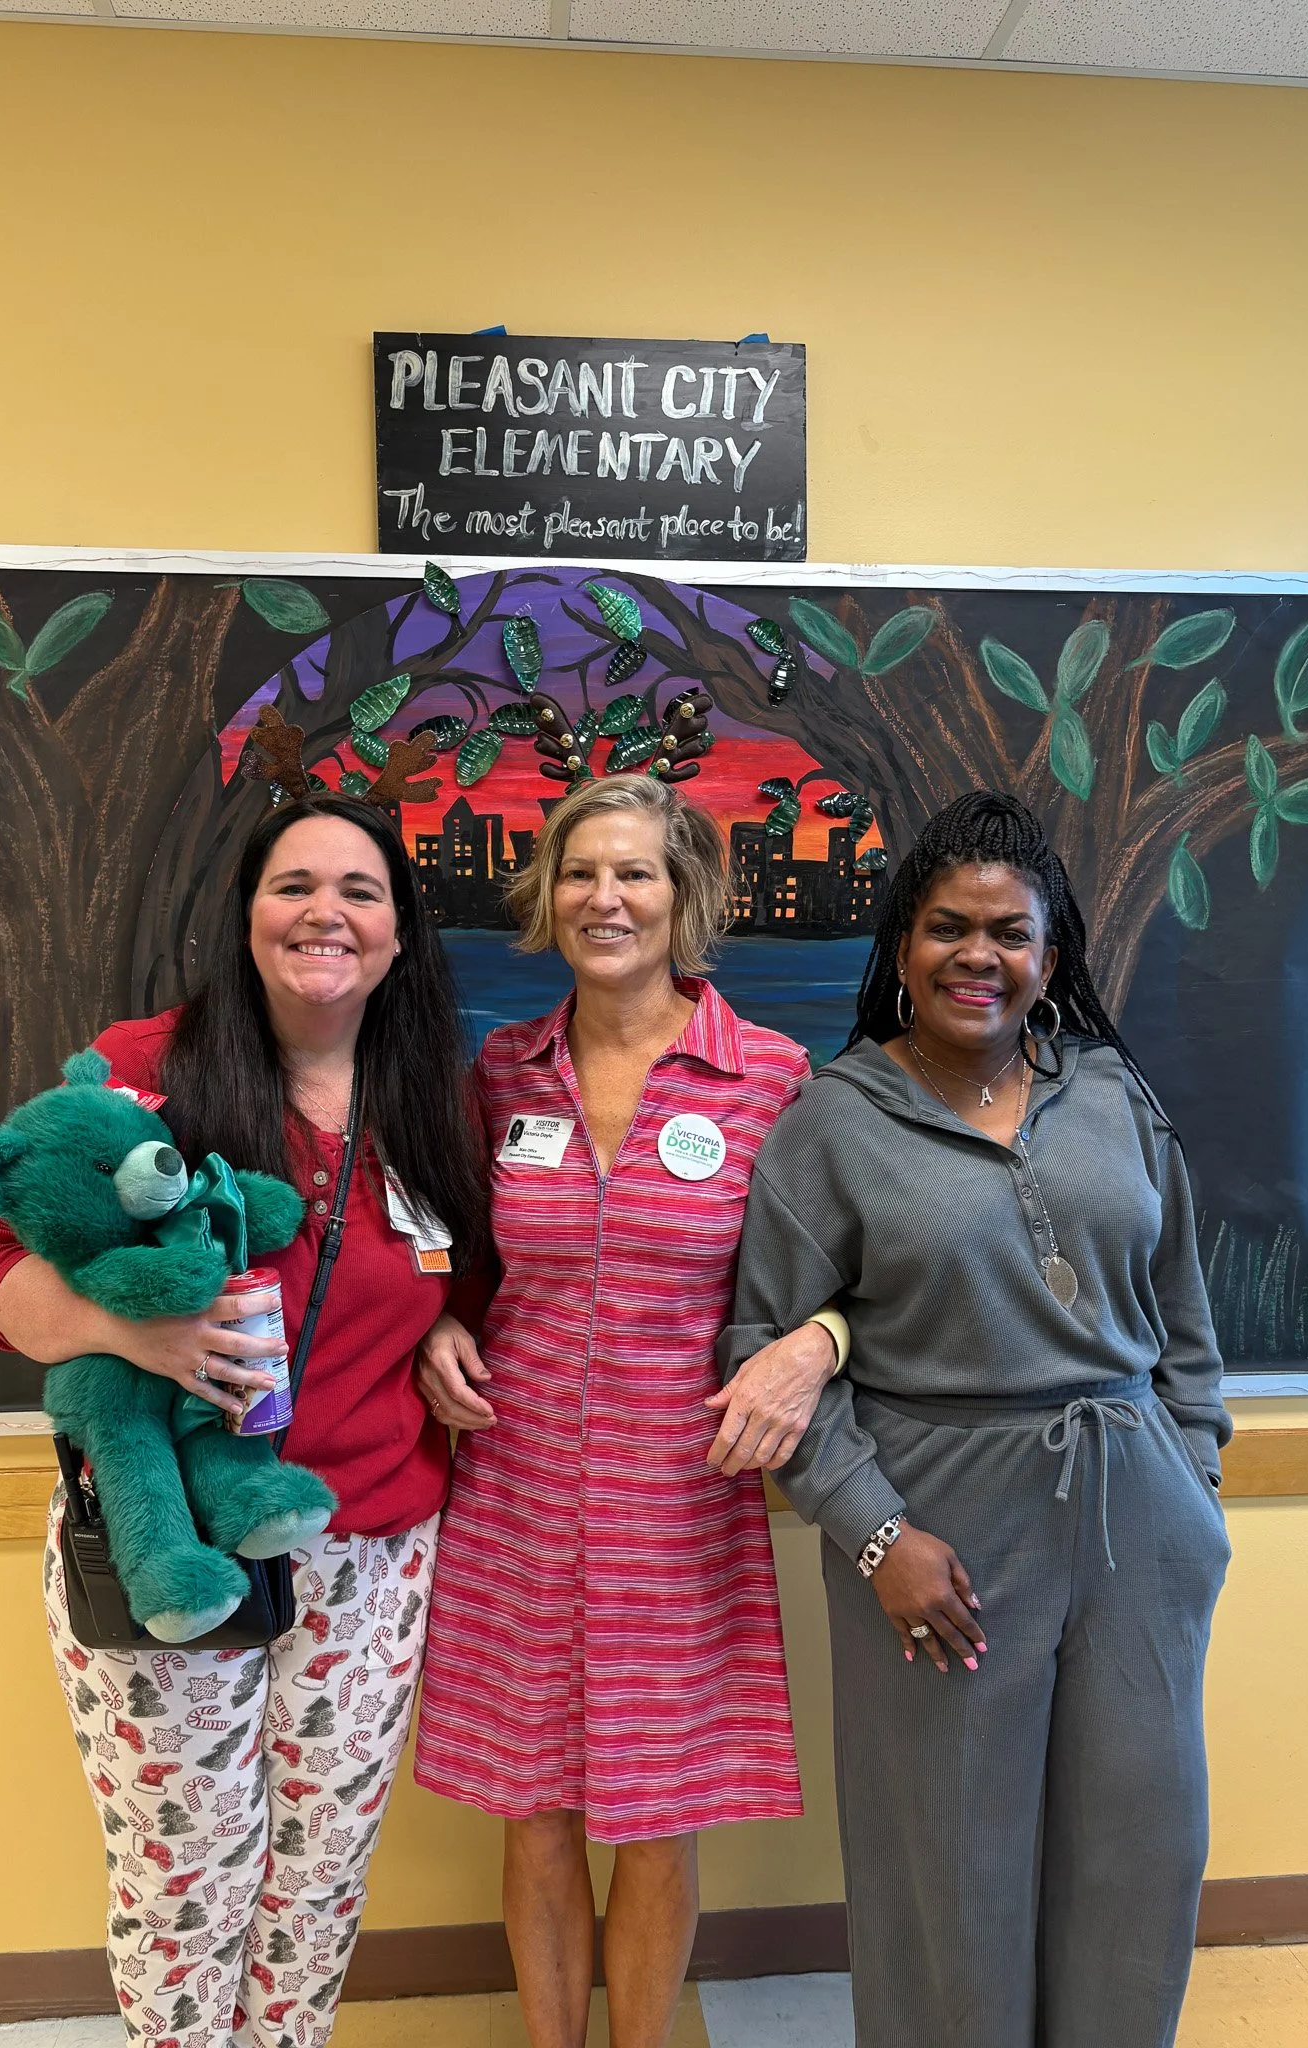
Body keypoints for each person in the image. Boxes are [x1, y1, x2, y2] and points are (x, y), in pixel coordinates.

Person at [0, 792, 486, 2048]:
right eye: (294, 884)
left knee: (316, 1883)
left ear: (400, 932)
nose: (326, 913)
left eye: (360, 891)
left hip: (370, 1553)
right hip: (162, 1539)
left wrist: (449, 1322)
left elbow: (460, 1274)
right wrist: (130, 1332)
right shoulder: (147, 1067)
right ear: (248, 916)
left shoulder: (429, 1097)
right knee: (188, 1884)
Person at [720, 789, 1233, 2048]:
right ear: (901, 945)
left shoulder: (1114, 1095)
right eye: (949, 926)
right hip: (935, 1536)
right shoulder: (834, 1122)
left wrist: (1196, 1485)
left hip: (1137, 1527)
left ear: (1049, 956)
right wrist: (878, 1536)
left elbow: (1183, 1314)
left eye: (1010, 931)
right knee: (950, 1867)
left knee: (1137, 1860)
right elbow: (765, 1347)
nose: (979, 954)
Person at [411, 772, 845, 2048]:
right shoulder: (502, 1069)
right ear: (548, 895)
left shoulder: (769, 1076)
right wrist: (437, 1318)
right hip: (515, 1492)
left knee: (656, 1816)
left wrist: (817, 1343)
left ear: (687, 894)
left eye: (637, 871)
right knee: (533, 1809)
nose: (608, 896)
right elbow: (445, 1252)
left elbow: (873, 1264)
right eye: (582, 871)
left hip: (680, 1500)